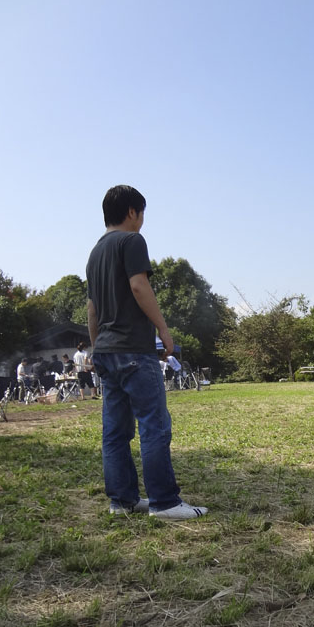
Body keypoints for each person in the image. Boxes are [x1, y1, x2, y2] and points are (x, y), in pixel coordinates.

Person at [86, 184, 208, 521]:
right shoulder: (132, 241)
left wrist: (96, 347)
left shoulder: (94, 253)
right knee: (154, 426)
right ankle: (164, 502)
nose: (142, 221)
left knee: (115, 431)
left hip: (107, 351)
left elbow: (92, 308)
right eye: (142, 214)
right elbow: (139, 285)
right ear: (131, 212)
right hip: (135, 350)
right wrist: (163, 330)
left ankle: (122, 500)